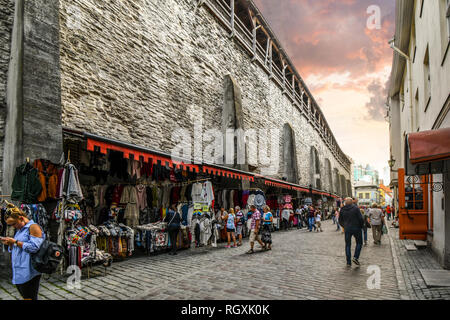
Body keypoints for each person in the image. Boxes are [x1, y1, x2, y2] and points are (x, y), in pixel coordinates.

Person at [1, 203, 45, 300]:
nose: (13, 227)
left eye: (14, 224)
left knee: (29, 297)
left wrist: (15, 242)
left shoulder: (33, 227)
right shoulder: (20, 229)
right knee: (25, 296)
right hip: (20, 269)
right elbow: (18, 247)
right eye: (11, 225)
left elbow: (34, 247)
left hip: (29, 269)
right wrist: (10, 243)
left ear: (21, 218)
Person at [339, 197, 365, 267]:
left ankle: (348, 262)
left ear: (345, 202)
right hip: (356, 228)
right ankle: (356, 257)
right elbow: (360, 218)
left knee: (348, 245)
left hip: (347, 228)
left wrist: (344, 226)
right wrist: (361, 226)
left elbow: (340, 220)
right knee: (359, 243)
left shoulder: (342, 209)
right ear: (352, 202)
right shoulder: (356, 208)